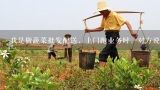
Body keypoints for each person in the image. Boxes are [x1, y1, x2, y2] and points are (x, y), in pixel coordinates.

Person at [85, 0, 138, 66]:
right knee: (113, 55)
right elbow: (101, 28)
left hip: (114, 35)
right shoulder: (104, 17)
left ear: (106, 9)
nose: (101, 13)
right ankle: (121, 68)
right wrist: (89, 30)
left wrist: (132, 33)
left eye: (102, 11)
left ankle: (101, 73)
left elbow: (127, 22)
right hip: (108, 36)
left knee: (103, 54)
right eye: (100, 11)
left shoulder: (114, 15)